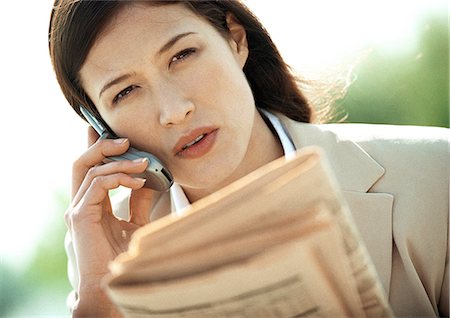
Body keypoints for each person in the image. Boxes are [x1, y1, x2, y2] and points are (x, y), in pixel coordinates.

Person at [48, 1, 448, 317]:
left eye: (182, 55)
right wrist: (102, 300)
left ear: (236, 39)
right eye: (125, 92)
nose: (173, 110)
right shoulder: (105, 253)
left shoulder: (436, 175)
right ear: (102, 127)